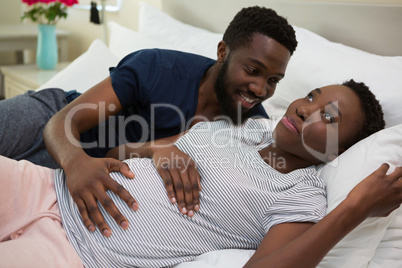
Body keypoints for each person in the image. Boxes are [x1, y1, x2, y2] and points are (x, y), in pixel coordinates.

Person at [1, 80, 401, 268]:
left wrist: (352, 210)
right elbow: (118, 152)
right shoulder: (242, 126)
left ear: (339, 152)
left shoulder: (303, 195)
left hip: (80, 251)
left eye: (327, 117)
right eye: (312, 96)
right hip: (47, 187)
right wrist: (161, 151)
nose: (304, 108)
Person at [0, 6, 296, 226]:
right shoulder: (157, 68)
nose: (260, 89)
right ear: (223, 52)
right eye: (253, 70)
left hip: (92, 175)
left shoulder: (254, 126)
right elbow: (65, 121)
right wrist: (76, 163)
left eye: (273, 80)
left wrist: (154, 147)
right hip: (53, 126)